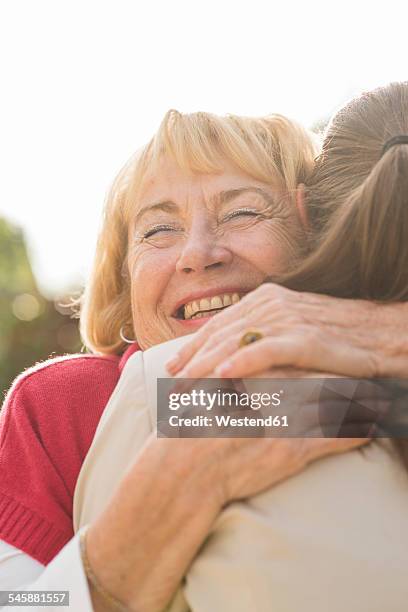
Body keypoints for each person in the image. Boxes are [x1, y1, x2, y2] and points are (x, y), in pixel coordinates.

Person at [0, 105, 406, 611]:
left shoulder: (366, 373)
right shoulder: (63, 405)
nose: (197, 253)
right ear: (123, 284)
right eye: (157, 230)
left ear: (319, 234)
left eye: (242, 213)